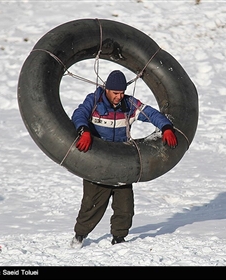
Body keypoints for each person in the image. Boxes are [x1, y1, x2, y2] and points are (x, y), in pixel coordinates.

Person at [70, 70, 177, 249]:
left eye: (121, 93)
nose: (119, 97)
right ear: (106, 89)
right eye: (115, 93)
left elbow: (150, 113)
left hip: (122, 162)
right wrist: (84, 130)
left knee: (125, 206)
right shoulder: (94, 101)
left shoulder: (129, 105)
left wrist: (165, 126)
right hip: (98, 163)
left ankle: (119, 239)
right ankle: (79, 236)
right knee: (92, 204)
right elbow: (79, 114)